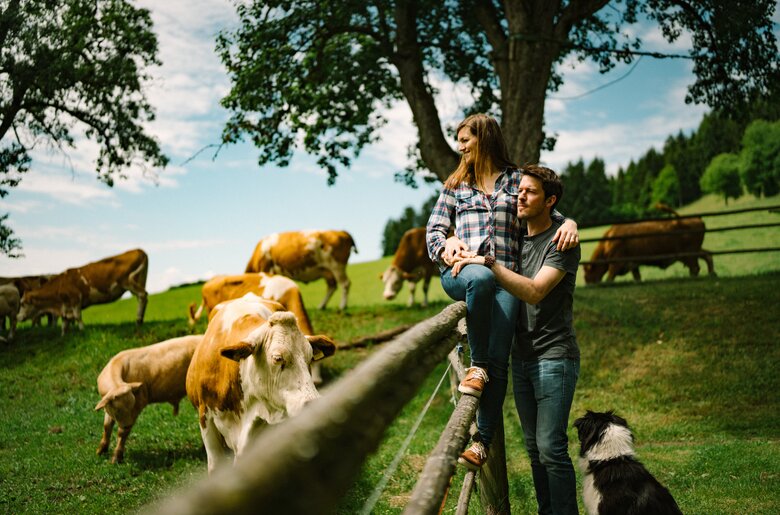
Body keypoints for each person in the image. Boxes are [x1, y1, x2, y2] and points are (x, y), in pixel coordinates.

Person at [425, 114, 578, 472]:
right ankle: (476, 367)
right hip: (462, 272)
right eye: (459, 140)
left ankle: (482, 441)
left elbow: (552, 212)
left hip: (505, 277)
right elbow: (433, 229)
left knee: (500, 357)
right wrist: (446, 244)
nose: (460, 146)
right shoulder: (455, 185)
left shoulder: (515, 181)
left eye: (466, 139)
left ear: (486, 138)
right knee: (478, 278)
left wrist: (571, 223)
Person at [451, 165, 581, 515]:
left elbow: (536, 292)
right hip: (522, 358)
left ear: (550, 201)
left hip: (554, 356)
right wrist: (451, 239)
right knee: (535, 450)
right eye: (519, 190)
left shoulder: (562, 242)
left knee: (551, 448)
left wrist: (489, 264)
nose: (520, 196)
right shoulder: (517, 240)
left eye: (531, 192)